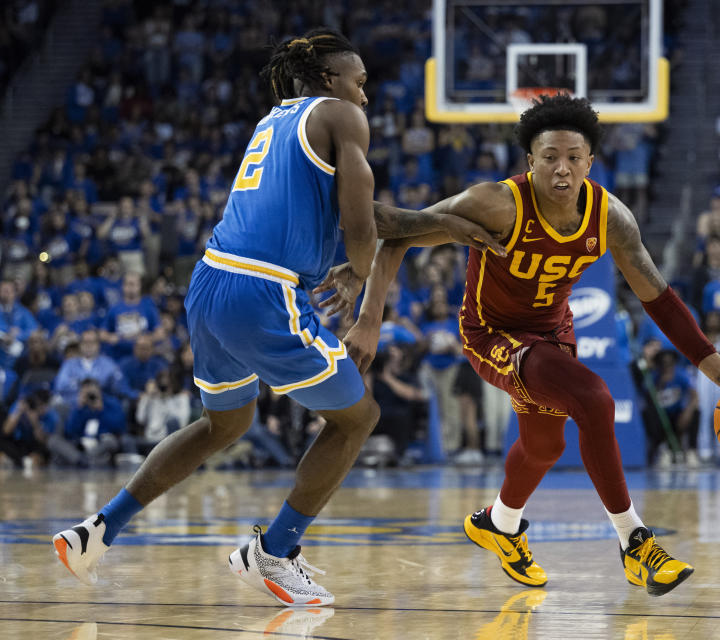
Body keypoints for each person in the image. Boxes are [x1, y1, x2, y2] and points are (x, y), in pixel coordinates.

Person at [53, 28, 501, 607]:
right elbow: (361, 227)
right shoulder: (341, 116)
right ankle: (275, 551)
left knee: (225, 425)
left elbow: (373, 214)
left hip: (212, 281)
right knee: (358, 418)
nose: (365, 96)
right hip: (262, 290)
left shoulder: (279, 120)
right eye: (359, 82)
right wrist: (359, 271)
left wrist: (445, 228)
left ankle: (97, 531)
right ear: (329, 80)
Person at [342, 95, 720, 595]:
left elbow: (661, 301)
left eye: (573, 157)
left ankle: (499, 523)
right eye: (550, 157)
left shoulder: (611, 218)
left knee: (546, 444)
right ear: (530, 162)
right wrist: (368, 319)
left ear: (590, 163)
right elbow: (400, 235)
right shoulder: (494, 203)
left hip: (553, 331)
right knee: (594, 399)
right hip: (490, 333)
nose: (562, 168)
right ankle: (635, 543)